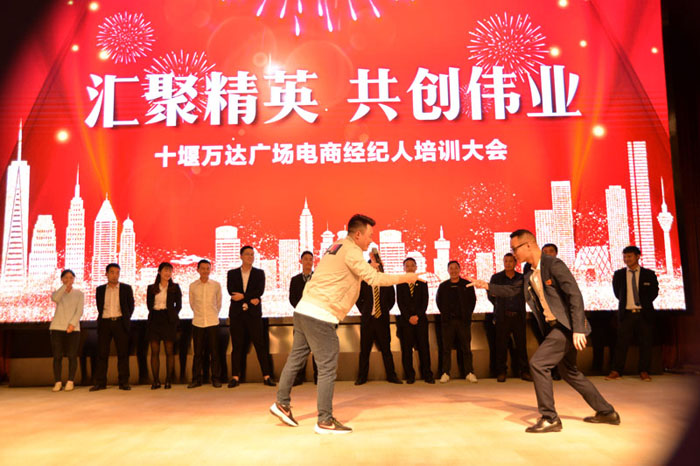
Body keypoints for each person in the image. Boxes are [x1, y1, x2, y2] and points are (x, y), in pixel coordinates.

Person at [270, 214, 420, 434]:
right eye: (369, 235)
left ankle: (282, 403)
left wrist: (366, 268)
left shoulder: (337, 245)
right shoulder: (352, 251)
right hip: (321, 315)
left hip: (304, 310)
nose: (371, 240)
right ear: (358, 234)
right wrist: (408, 277)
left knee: (295, 359)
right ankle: (325, 420)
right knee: (327, 368)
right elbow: (375, 279)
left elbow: (344, 273)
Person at [473, 230, 619, 433]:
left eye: (515, 249)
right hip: (553, 328)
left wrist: (578, 329)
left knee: (538, 364)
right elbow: (514, 290)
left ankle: (550, 418)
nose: (513, 253)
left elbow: (574, 295)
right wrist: (488, 286)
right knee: (570, 372)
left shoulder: (554, 265)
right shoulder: (528, 271)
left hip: (566, 327)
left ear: (528, 245)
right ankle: (607, 412)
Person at [606, 246, 659, 381]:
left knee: (645, 343)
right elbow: (617, 294)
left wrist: (643, 304)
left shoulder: (649, 274)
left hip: (644, 314)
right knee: (621, 344)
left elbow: (653, 293)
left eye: (629, 256)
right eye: (625, 256)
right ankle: (616, 371)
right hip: (626, 314)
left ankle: (644, 371)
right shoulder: (619, 274)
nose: (627, 259)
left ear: (637, 256)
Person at [227, 245, 275, 387]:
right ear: (241, 256)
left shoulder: (259, 273)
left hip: (253, 315)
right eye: (247, 254)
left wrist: (244, 297)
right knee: (237, 346)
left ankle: (267, 376)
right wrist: (250, 298)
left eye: (252, 254)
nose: (250, 257)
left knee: (260, 345)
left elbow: (259, 291)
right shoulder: (232, 273)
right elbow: (231, 291)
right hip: (237, 314)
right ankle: (235, 377)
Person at [354, 250, 402, 385]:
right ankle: (362, 377)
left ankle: (392, 376)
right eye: (372, 266)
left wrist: (384, 310)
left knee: (386, 349)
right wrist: (365, 311)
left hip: (382, 320)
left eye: (377, 266)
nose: (375, 268)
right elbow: (358, 299)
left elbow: (391, 299)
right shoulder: (363, 282)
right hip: (368, 320)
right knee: (365, 350)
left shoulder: (386, 282)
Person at [488, 253, 532, 382]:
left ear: (515, 263)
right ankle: (501, 372)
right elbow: (491, 295)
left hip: (518, 316)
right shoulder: (496, 278)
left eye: (510, 261)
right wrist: (499, 305)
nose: (508, 263)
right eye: (505, 261)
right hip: (503, 316)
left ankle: (524, 371)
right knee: (501, 346)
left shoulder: (521, 278)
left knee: (521, 345)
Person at [91, 263, 135, 391]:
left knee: (123, 354)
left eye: (117, 272)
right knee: (102, 354)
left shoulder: (126, 288)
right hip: (105, 323)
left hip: (120, 323)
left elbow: (130, 307)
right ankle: (100, 383)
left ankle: (124, 382)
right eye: (112, 272)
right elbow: (99, 307)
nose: (115, 275)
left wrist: (125, 319)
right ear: (106, 274)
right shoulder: (100, 289)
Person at [436, 261, 477, 383]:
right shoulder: (443, 286)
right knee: (446, 349)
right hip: (448, 322)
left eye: (455, 268)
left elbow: (472, 301)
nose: (453, 270)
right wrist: (445, 315)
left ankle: (469, 372)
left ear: (459, 269)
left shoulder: (467, 284)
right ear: (448, 270)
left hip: (463, 322)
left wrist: (466, 315)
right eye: (451, 268)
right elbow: (439, 302)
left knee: (466, 348)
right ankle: (445, 373)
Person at [396, 257, 434, 384]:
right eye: (407, 266)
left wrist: (417, 316)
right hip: (406, 322)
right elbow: (400, 303)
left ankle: (427, 374)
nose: (410, 268)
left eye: (412, 265)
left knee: (424, 348)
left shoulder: (422, 283)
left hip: (421, 321)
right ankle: (410, 375)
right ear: (404, 268)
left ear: (416, 267)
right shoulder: (400, 284)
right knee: (407, 350)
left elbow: (424, 302)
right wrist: (409, 317)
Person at [146, 262, 182, 389]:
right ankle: (155, 381)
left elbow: (179, 305)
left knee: (169, 351)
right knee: (154, 351)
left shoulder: (175, 287)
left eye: (170, 271)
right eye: (165, 270)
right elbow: (149, 305)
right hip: (155, 319)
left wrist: (172, 315)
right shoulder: (151, 287)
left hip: (168, 320)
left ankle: (168, 380)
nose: (168, 273)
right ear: (159, 272)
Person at [188, 259, 223, 388]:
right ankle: (196, 379)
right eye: (202, 268)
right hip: (198, 322)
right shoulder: (193, 286)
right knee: (198, 353)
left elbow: (218, 303)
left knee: (215, 352)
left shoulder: (216, 285)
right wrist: (200, 314)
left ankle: (216, 379)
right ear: (198, 270)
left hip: (213, 321)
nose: (205, 271)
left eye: (207, 268)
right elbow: (192, 304)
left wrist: (213, 314)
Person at [49, 270, 84, 391]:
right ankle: (58, 382)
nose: (69, 280)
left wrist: (72, 324)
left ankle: (70, 381)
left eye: (71, 277)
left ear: (74, 279)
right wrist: (64, 286)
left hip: (73, 328)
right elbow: (55, 299)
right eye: (66, 277)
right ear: (62, 279)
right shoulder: (58, 292)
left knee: (72, 355)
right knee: (57, 356)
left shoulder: (79, 294)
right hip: (57, 327)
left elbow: (79, 311)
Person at [289, 251, 317, 386]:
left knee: (317, 348)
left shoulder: (318, 278)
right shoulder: (295, 280)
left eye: (310, 259)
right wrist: (303, 308)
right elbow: (292, 299)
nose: (308, 261)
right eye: (305, 259)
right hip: (300, 317)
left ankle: (318, 376)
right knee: (299, 349)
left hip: (316, 317)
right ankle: (299, 377)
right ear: (301, 261)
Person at [537, 243, 561, 381]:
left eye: (550, 251)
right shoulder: (535, 269)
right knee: (545, 344)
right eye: (544, 251)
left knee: (560, 346)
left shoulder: (560, 268)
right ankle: (550, 371)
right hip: (543, 314)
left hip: (560, 315)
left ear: (556, 253)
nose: (547, 254)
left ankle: (561, 371)